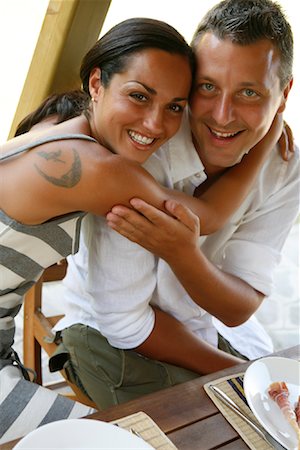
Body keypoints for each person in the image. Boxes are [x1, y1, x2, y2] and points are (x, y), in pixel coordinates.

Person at [0, 16, 279, 443]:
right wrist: (266, 134)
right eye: (138, 96)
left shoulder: (60, 118)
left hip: (5, 342)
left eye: (173, 108)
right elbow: (207, 217)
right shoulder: (100, 170)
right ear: (97, 83)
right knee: (125, 442)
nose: (154, 124)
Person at [51, 0, 299, 410]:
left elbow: (239, 306)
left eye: (250, 92)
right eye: (207, 87)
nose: (222, 115)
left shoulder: (286, 167)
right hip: (106, 332)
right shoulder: (143, 144)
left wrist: (184, 255)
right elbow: (124, 321)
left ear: (284, 94)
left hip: (193, 327)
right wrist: (238, 373)